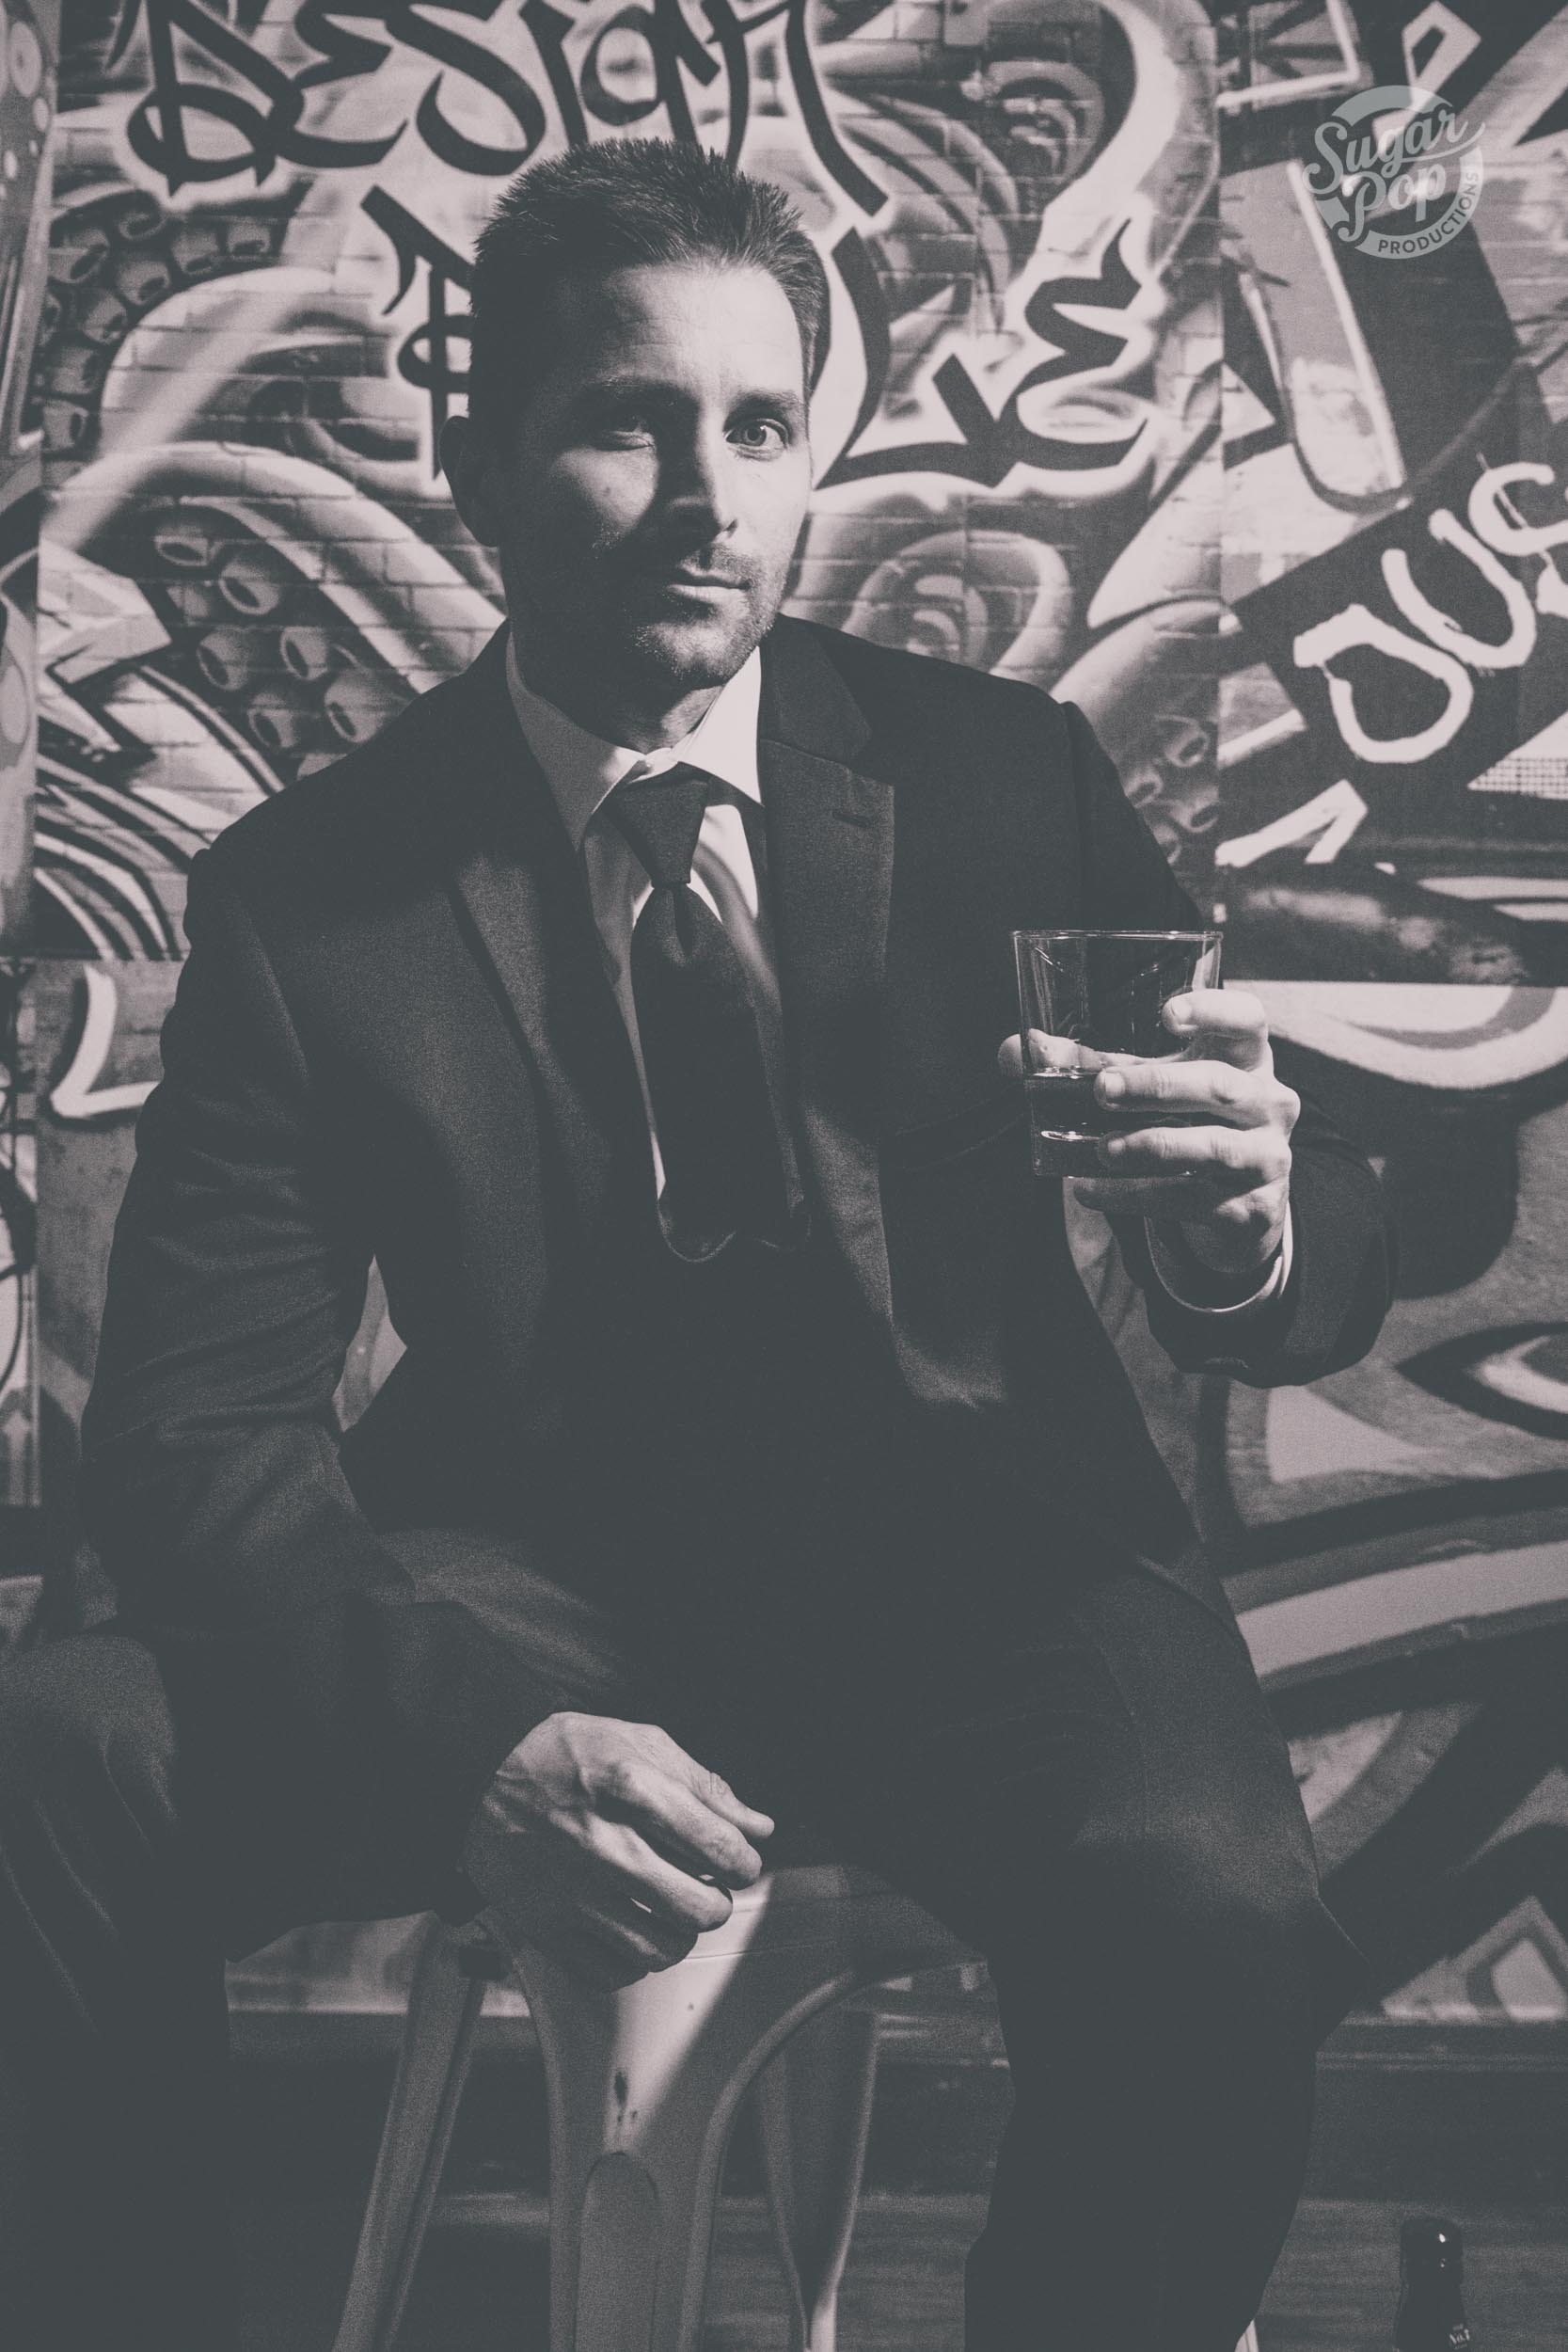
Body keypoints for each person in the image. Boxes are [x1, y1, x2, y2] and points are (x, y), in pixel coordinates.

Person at [0, 138, 1394, 2349]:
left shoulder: (1002, 776)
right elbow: (193, 1435)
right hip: (534, 1574)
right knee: (65, 1744)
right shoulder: (312, 894)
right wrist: (475, 1734)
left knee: (1210, 1907)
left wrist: (1246, 1230)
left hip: (978, 1566)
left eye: (758, 426)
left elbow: (1280, 1254)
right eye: (628, 421)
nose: (707, 498)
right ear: (480, 464)